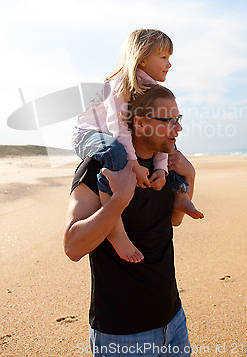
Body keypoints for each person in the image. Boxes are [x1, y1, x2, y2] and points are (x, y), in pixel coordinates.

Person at [64, 85, 198, 356]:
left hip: (173, 318)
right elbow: (73, 246)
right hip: (122, 333)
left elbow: (174, 221)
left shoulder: (164, 166)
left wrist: (190, 178)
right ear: (139, 122)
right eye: (167, 121)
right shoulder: (99, 168)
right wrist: (119, 199)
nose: (178, 128)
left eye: (178, 119)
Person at [72, 29, 203, 262]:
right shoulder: (120, 83)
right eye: (163, 57)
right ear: (142, 58)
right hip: (90, 133)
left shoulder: (150, 86)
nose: (169, 64)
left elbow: (161, 137)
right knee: (115, 154)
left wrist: (163, 169)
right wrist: (133, 164)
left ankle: (180, 194)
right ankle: (116, 232)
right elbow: (118, 125)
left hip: (116, 138)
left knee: (163, 147)